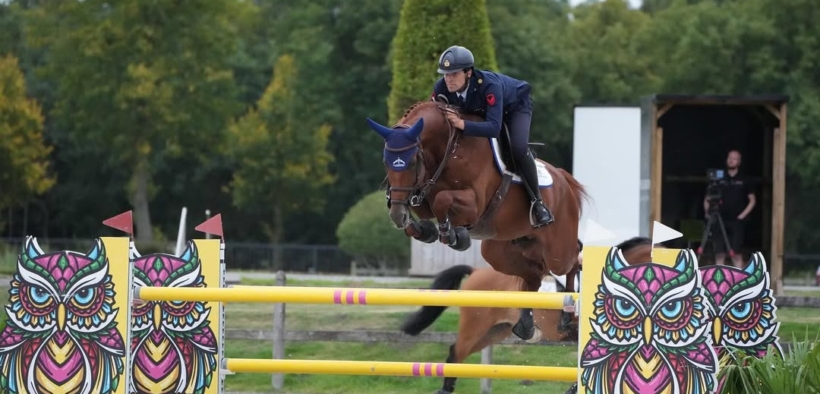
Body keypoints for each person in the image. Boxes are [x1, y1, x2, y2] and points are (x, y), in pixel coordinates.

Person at [431, 45, 553, 228]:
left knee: (517, 148)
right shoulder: (441, 88)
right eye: (446, 74)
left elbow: (494, 128)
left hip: (514, 107)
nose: (449, 79)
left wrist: (461, 124)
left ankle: (538, 203)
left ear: (468, 73)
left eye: (454, 74)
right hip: (484, 112)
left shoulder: (489, 86)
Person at [703, 150, 756, 268]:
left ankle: (739, 282)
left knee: (736, 253)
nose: (731, 160)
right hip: (719, 218)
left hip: (736, 221)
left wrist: (742, 215)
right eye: (729, 158)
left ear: (739, 161)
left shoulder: (745, 179)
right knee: (719, 253)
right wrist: (708, 213)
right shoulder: (719, 177)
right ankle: (719, 281)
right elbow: (708, 197)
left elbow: (752, 200)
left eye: (734, 158)